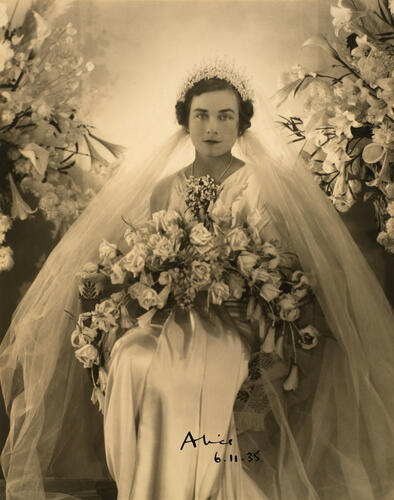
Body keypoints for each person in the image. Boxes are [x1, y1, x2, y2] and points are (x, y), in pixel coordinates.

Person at [0, 60, 393, 500]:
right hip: (170, 314)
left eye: (225, 115)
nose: (212, 127)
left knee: (184, 371)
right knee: (131, 356)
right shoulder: (165, 186)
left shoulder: (257, 183)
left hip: (237, 318)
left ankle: (193, 486)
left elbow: (277, 265)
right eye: (201, 115)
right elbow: (144, 258)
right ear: (184, 121)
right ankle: (146, 488)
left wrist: (231, 273)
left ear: (241, 122)